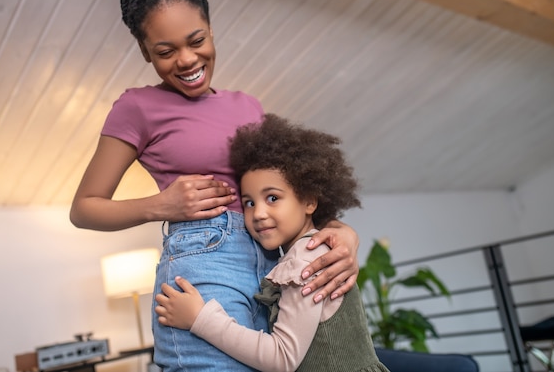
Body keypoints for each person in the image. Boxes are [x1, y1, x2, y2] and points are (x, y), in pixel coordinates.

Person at [69, 0, 361, 371]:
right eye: (165, 51)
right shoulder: (137, 107)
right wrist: (162, 206)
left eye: (197, 40)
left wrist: (342, 232)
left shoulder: (248, 106)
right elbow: (84, 208)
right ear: (144, 50)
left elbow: (286, 193)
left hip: (271, 266)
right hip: (203, 262)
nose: (186, 60)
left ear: (211, 29)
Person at [155, 114, 389, 372]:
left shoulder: (305, 259)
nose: (259, 213)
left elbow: (282, 358)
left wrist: (200, 319)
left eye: (273, 198)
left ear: (310, 201)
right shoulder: (310, 252)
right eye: (249, 203)